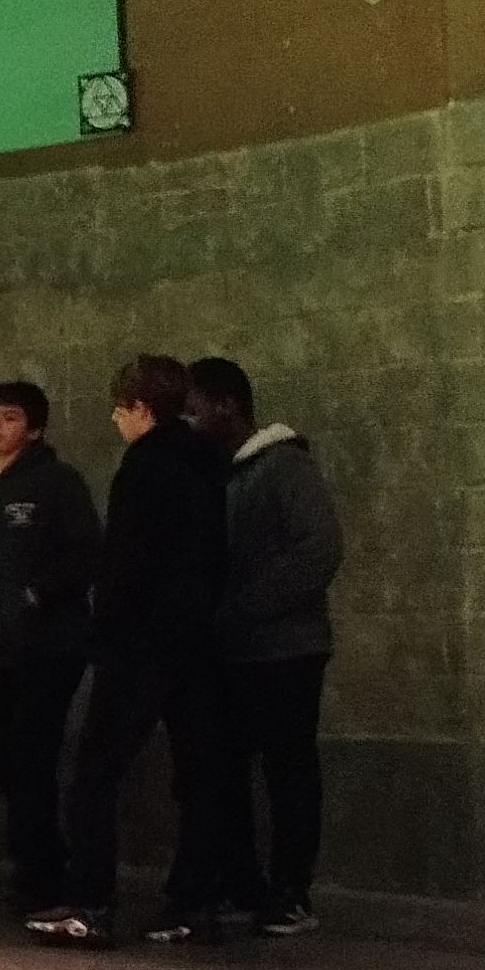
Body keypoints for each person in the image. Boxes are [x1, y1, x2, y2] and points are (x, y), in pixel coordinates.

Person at [38, 352, 234, 949]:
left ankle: (90, 902)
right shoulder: (210, 464)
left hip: (141, 644)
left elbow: (126, 562)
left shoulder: (144, 466)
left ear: (140, 409)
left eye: (119, 409)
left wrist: (104, 632)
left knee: (96, 770)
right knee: (199, 773)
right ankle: (194, 904)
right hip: (198, 641)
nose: (115, 420)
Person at [190, 356, 347, 938]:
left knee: (289, 771)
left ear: (226, 406)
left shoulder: (284, 467)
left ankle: (291, 893)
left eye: (195, 409)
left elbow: (319, 549)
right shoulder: (220, 474)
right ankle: (243, 883)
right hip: (233, 650)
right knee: (226, 769)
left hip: (286, 649)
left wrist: (244, 608)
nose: (189, 422)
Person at [0, 379, 99, 913]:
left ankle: (46, 874)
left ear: (34, 430)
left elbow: (86, 553)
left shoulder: (57, 483)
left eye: (9, 417)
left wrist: (36, 595)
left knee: (32, 753)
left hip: (50, 644)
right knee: (6, 757)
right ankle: (33, 864)